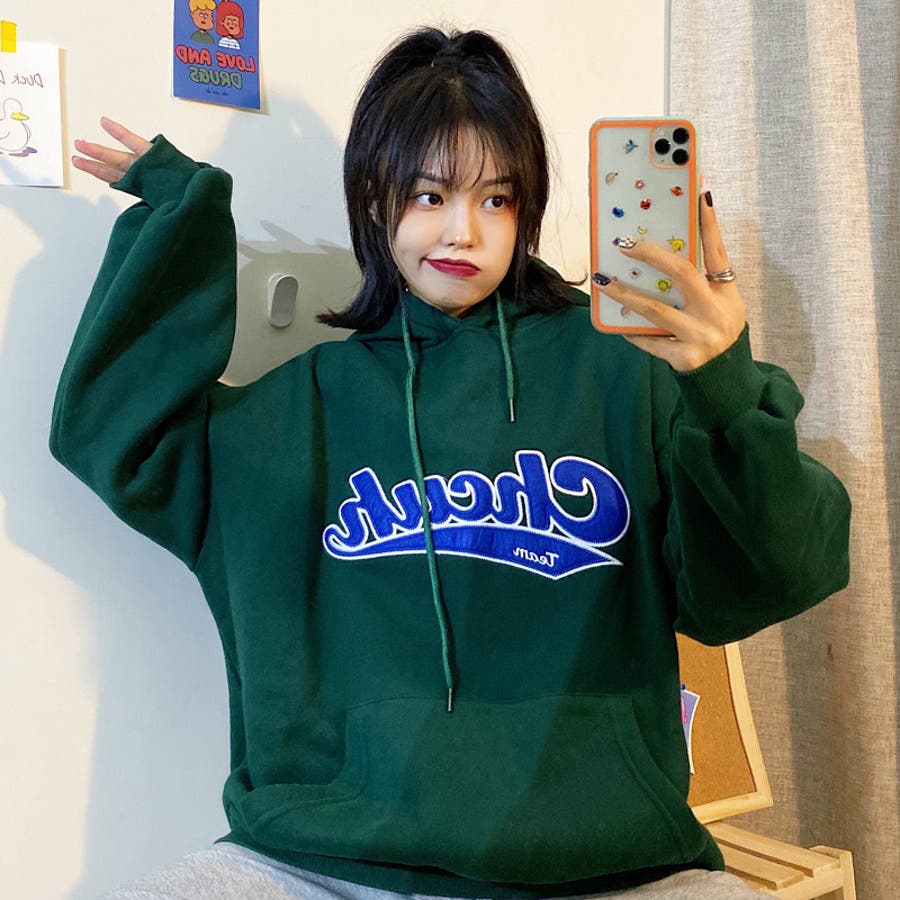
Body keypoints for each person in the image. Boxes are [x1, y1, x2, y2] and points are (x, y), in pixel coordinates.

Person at [53, 25, 850, 900]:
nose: (463, 230)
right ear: (373, 197)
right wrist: (183, 220)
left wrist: (724, 389)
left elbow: (778, 576)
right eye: (429, 194)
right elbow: (123, 439)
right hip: (327, 859)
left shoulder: (631, 375)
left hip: (611, 865)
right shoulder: (301, 408)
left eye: (496, 198)